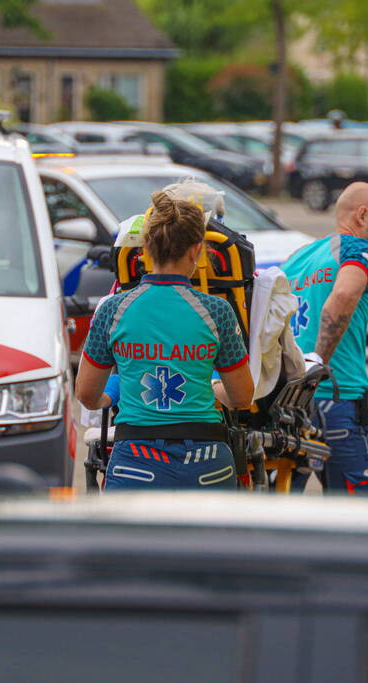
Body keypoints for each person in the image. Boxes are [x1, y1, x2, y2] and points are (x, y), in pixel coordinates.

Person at [75, 190, 255, 489]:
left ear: (145, 248)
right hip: (206, 462)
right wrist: (210, 388)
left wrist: (117, 390)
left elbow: (87, 396)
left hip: (135, 460)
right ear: (197, 250)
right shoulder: (217, 311)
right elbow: (241, 397)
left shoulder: (113, 309)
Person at [281, 182, 368, 495]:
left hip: (291, 403)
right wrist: (318, 361)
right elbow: (343, 294)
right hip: (336, 395)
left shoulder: (298, 259)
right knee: (365, 502)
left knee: (282, 496)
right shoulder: (360, 250)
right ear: (362, 216)